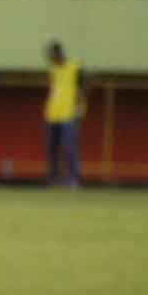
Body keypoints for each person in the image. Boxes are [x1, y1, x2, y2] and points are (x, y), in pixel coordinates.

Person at [42, 40, 85, 187]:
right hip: (52, 113)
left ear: (58, 53)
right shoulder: (52, 70)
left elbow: (82, 88)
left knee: (69, 147)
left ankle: (73, 179)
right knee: (51, 148)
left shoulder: (75, 67)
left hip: (69, 113)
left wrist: (80, 107)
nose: (49, 59)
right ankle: (53, 178)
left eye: (51, 55)